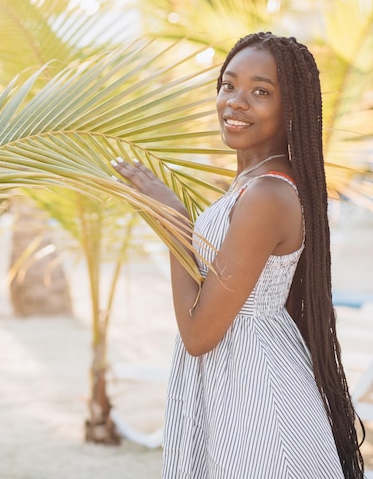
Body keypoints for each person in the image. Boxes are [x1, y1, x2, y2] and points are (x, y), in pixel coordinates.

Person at [111, 32, 365, 478]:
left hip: (261, 408)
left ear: (292, 109)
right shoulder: (255, 183)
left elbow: (198, 334)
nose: (236, 102)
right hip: (240, 387)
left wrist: (172, 219)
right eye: (228, 85)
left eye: (261, 91)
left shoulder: (267, 194)